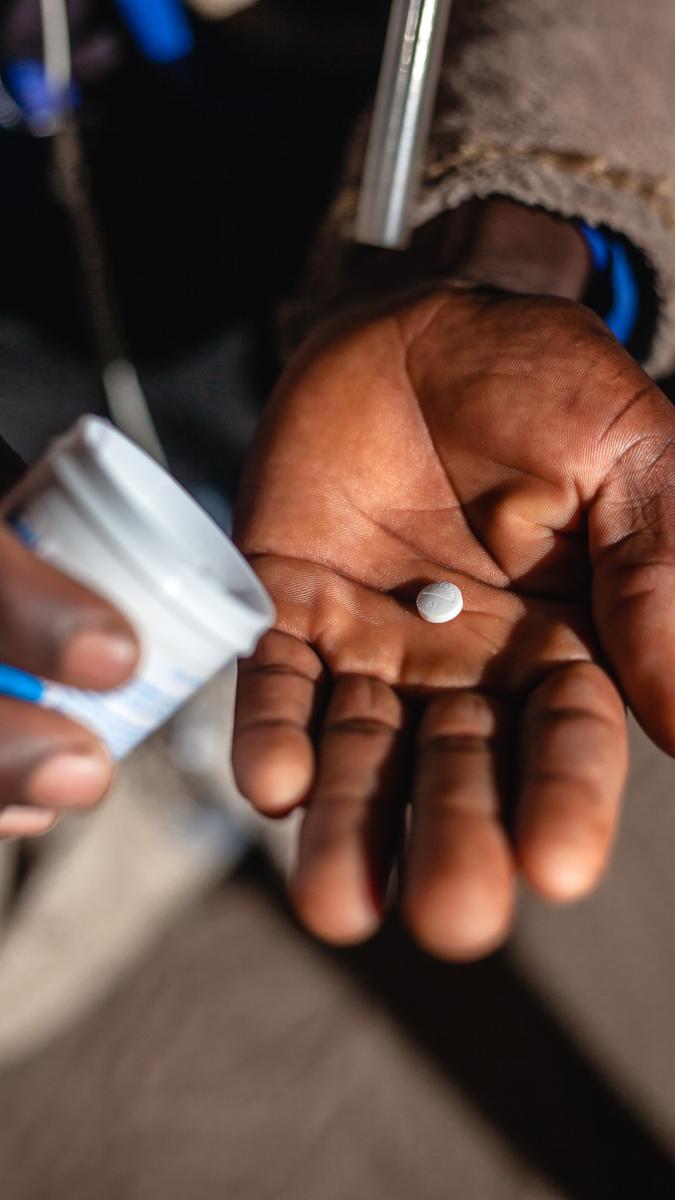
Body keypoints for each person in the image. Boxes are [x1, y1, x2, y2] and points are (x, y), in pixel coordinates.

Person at [1, 0, 675, 963]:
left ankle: (180, 739)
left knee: (229, 607)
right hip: (30, 308)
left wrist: (498, 245)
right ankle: (162, 744)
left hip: (326, 232)